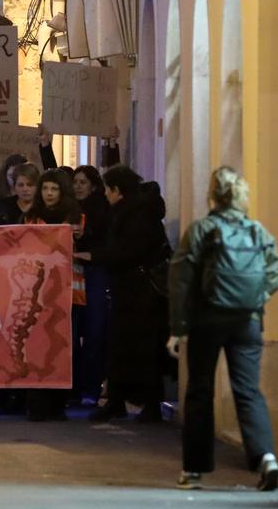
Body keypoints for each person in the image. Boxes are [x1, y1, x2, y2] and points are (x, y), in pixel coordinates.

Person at [169, 166, 278, 491]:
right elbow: (273, 271)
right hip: (247, 321)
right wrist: (257, 298)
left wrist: (177, 328)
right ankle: (266, 458)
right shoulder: (257, 231)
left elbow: (181, 281)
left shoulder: (202, 230)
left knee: (200, 391)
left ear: (212, 195)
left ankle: (194, 470)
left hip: (208, 319)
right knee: (248, 390)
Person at [79, 165, 170, 424]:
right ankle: (121, 400)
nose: (105, 195)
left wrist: (96, 256)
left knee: (140, 347)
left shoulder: (136, 215)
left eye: (107, 190)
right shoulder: (133, 211)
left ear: (117, 191)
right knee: (124, 346)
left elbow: (128, 251)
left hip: (140, 291)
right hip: (131, 289)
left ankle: (145, 403)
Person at [21, 168, 79, 422]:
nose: (49, 193)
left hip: (65, 287)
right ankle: (36, 402)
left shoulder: (73, 216)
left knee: (60, 343)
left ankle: (57, 403)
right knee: (35, 344)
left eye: (54, 189)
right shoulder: (31, 216)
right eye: (45, 188)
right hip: (36, 287)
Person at [71, 164, 113, 407]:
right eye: (75, 182)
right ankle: (76, 386)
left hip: (95, 273)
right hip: (75, 272)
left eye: (83, 182)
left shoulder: (102, 210)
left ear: (94, 186)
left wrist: (88, 248)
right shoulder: (70, 208)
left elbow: (104, 242)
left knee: (95, 331)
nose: (77, 186)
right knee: (74, 331)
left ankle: (92, 384)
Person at [0, 162, 40, 227]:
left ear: (38, 186)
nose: (25, 189)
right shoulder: (1, 207)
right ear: (14, 187)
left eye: (30, 185)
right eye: (20, 185)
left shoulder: (44, 208)